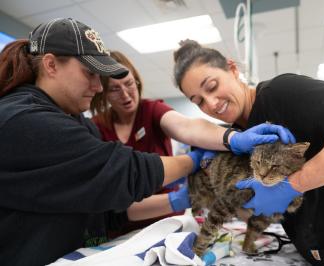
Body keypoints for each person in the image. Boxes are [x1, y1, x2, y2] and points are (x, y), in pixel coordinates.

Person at [0, 19, 293, 266]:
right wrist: (194, 161)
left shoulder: (83, 124)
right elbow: (125, 171)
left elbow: (110, 209)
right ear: (51, 64)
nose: (97, 87)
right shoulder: (21, 119)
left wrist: (228, 139)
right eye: (90, 73)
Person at [173, 39, 324, 266]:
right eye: (198, 101)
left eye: (212, 86)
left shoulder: (281, 94)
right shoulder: (239, 133)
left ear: (232, 69)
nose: (211, 104)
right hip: (322, 250)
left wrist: (292, 185)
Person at [90, 50, 296, 235]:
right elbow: (109, 195)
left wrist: (231, 138)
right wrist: (186, 190)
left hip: (168, 224)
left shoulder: (151, 110)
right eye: (114, 89)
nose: (126, 94)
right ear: (102, 92)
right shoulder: (95, 128)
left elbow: (186, 127)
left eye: (129, 84)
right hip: (119, 229)